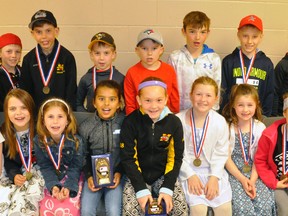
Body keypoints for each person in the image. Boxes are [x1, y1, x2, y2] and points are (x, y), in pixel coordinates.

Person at [120, 77, 188, 215]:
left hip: (163, 175)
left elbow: (176, 158)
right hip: (137, 176)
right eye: (147, 100)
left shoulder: (174, 123)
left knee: (181, 210)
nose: (154, 106)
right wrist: (140, 189)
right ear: (139, 100)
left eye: (159, 100)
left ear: (166, 98)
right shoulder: (130, 122)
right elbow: (128, 159)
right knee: (130, 211)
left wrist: (167, 188)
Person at [177, 76, 232, 216]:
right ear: (190, 95)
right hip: (187, 172)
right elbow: (176, 153)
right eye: (198, 94)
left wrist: (214, 178)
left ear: (216, 99)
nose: (203, 99)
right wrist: (190, 175)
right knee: (198, 209)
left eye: (208, 95)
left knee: (224, 209)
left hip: (213, 171)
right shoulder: (178, 120)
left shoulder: (220, 122)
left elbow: (221, 153)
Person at [222, 84, 276, 215]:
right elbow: (226, 158)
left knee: (265, 205)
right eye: (240, 105)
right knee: (243, 209)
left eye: (250, 105)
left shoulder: (260, 127)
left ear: (256, 105)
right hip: (234, 174)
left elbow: (260, 158)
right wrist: (242, 179)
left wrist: (252, 180)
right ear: (233, 105)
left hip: (256, 173)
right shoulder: (226, 127)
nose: (245, 109)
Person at [79, 80, 125, 215]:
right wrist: (89, 175)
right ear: (94, 102)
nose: (106, 104)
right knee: (86, 210)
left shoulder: (125, 124)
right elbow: (82, 155)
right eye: (101, 99)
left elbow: (128, 153)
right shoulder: (86, 127)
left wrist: (119, 172)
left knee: (114, 211)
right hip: (93, 176)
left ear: (119, 103)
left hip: (117, 176)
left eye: (112, 99)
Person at [34, 98, 84, 215]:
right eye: (50, 117)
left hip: (71, 177)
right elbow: (45, 166)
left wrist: (68, 187)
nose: (55, 121)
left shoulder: (76, 141)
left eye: (60, 116)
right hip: (50, 177)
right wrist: (53, 186)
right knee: (46, 208)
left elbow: (76, 167)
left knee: (71, 207)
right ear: (43, 120)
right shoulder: (39, 141)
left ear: (67, 120)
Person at [20, 9, 77, 110]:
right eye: (39, 32)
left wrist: (68, 115)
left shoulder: (67, 57)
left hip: (60, 116)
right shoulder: (28, 59)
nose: (44, 36)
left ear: (56, 31)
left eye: (48, 31)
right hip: (37, 116)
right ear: (32, 34)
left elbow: (71, 92)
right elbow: (26, 92)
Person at [0, 89, 44, 215]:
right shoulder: (5, 132)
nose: (18, 113)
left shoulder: (40, 129)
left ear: (31, 109)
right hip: (19, 174)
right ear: (6, 112)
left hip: (40, 173)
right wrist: (14, 175)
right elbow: (9, 160)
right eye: (12, 109)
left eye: (23, 107)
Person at [221, 14, 274, 116]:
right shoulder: (228, 62)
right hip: (232, 117)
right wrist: (226, 116)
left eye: (254, 37)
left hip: (258, 118)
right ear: (238, 35)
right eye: (245, 36)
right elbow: (223, 92)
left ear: (261, 37)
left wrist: (265, 117)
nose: (249, 41)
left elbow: (270, 94)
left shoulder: (266, 64)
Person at [168, 11, 221, 111]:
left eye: (202, 32)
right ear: (184, 31)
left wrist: (213, 112)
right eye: (192, 31)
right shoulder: (175, 58)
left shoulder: (214, 59)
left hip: (205, 112)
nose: (197, 37)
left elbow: (216, 87)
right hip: (180, 113)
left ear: (208, 33)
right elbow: (170, 88)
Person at [124, 28, 179, 115]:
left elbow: (174, 99)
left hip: (164, 119)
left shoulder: (169, 70)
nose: (149, 53)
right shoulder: (132, 72)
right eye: (144, 48)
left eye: (154, 48)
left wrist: (173, 118)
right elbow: (130, 104)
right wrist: (134, 123)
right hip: (140, 120)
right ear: (137, 50)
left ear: (161, 50)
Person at [255, 92, 288, 216]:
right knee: (285, 210)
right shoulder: (269, 134)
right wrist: (273, 183)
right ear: (284, 113)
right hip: (277, 183)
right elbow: (260, 161)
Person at [77, 32, 125, 113]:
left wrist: (120, 119)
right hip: (93, 123)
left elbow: (129, 104)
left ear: (113, 54)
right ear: (91, 55)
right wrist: (88, 118)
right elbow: (77, 104)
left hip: (114, 124)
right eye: (97, 53)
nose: (101, 58)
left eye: (106, 53)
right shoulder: (86, 79)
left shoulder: (120, 79)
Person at [0, 33, 22, 111]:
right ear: (0, 54)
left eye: (17, 52)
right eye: (9, 51)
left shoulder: (25, 72)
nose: (13, 55)